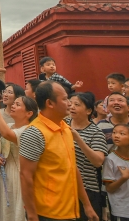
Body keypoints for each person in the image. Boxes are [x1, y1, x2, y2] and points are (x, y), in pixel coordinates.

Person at [19, 81, 99, 221]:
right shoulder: (35, 132)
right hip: (48, 213)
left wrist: (87, 205)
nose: (69, 103)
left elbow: (73, 168)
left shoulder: (66, 128)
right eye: (65, 99)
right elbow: (26, 177)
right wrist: (32, 215)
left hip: (69, 210)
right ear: (50, 103)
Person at [0, 93, 38, 221]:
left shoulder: (28, 130)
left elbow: (7, 134)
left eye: (18, 104)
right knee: (5, 212)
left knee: (17, 212)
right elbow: (2, 146)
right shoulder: (10, 125)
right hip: (5, 174)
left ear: (29, 113)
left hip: (20, 174)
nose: (13, 106)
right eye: (14, 103)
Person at [67, 93, 108, 221]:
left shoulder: (96, 132)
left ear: (89, 111)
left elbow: (98, 162)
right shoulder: (62, 123)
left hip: (87, 189)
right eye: (71, 103)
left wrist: (78, 139)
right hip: (63, 187)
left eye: (77, 105)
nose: (72, 107)